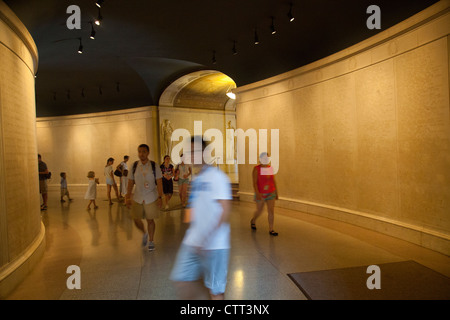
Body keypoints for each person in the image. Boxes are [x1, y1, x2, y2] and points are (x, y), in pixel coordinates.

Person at [170, 136, 232, 300]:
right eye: (188, 152)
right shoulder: (197, 178)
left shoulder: (217, 177)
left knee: (215, 290)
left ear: (204, 153)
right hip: (193, 242)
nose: (190, 155)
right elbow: (194, 208)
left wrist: (207, 238)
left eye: (194, 151)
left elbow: (225, 210)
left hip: (215, 244)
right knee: (182, 280)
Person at [125, 144, 163, 251]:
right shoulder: (134, 166)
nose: (141, 154)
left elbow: (159, 182)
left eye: (144, 152)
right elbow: (130, 182)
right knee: (136, 219)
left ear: (148, 153)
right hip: (137, 196)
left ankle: (151, 240)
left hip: (151, 196)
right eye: (140, 151)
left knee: (150, 220)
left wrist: (160, 197)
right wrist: (127, 196)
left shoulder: (154, 166)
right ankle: (144, 233)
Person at [250, 152, 279, 236]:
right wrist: (257, 193)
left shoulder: (270, 168)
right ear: (261, 159)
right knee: (259, 210)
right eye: (265, 158)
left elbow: (273, 181)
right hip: (261, 193)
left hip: (271, 193)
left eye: (267, 158)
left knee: (271, 211)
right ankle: (253, 220)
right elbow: (254, 183)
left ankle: (271, 229)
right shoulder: (256, 169)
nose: (266, 159)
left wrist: (276, 192)